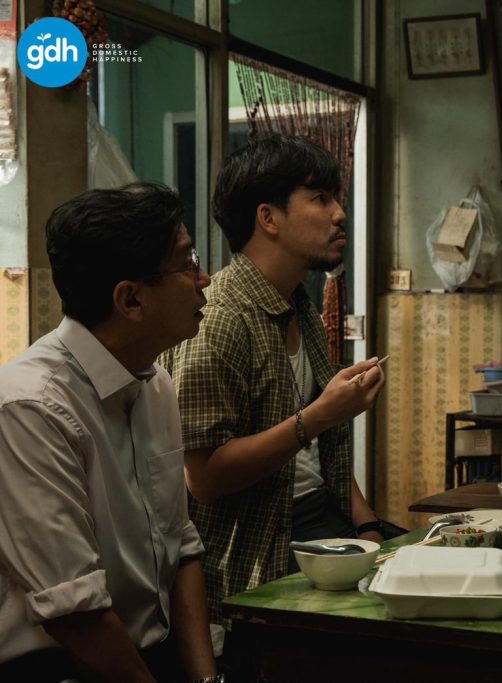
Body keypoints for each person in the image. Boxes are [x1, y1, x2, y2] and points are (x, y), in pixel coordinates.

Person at [161, 135, 394, 631]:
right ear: (268, 218)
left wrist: (369, 526)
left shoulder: (297, 304)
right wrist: (319, 417)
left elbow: (325, 454)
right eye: (320, 199)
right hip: (260, 550)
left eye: (336, 198)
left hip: (325, 521)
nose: (339, 214)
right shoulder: (220, 318)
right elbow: (204, 479)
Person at [0, 183, 219, 682]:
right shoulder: (31, 407)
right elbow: (74, 612)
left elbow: (180, 544)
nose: (204, 278)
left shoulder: (155, 381)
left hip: (151, 655)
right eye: (187, 263)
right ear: (131, 298)